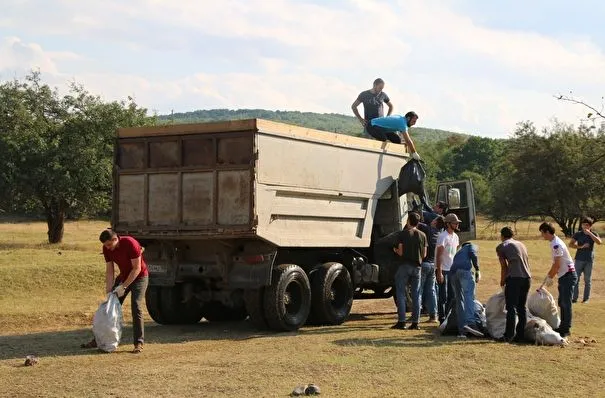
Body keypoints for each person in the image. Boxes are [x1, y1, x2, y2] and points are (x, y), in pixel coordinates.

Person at [81, 229, 149, 353]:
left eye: (109, 244)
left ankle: (138, 343)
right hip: (123, 277)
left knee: (136, 306)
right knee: (109, 307)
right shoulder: (107, 248)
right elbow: (110, 271)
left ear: (115, 239)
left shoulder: (130, 243)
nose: (107, 248)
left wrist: (123, 287)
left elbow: (136, 268)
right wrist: (109, 292)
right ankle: (99, 340)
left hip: (139, 277)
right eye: (105, 245)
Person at [539, 222, 577, 338]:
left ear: (547, 232)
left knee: (566, 303)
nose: (542, 236)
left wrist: (550, 277)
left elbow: (557, 264)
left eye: (542, 233)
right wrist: (549, 276)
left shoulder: (556, 244)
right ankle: (563, 326)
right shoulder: (554, 243)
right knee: (562, 302)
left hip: (568, 275)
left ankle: (565, 329)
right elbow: (555, 265)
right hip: (564, 275)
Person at [391, 212, 427, 330]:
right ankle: (415, 322)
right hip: (417, 267)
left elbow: (400, 252)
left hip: (405, 266)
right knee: (416, 295)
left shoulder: (403, 234)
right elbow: (424, 254)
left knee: (401, 293)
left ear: (408, 221)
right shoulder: (423, 235)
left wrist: (395, 250)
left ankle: (401, 322)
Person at [496, 227, 532, 342]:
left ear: (502, 236)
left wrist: (502, 280)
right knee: (522, 307)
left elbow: (504, 266)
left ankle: (508, 335)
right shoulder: (521, 244)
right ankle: (520, 335)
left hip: (514, 278)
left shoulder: (502, 246)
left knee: (511, 307)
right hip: (527, 278)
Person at [449, 242, 483, 338]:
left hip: (453, 274)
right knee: (469, 296)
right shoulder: (471, 246)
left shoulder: (458, 252)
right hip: (464, 271)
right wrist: (477, 269)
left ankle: (462, 330)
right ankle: (471, 323)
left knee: (459, 301)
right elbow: (473, 253)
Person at [351, 78, 397, 143]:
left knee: (380, 145)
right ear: (374, 85)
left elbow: (391, 106)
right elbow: (353, 106)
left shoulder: (383, 95)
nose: (381, 90)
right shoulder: (364, 94)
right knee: (367, 145)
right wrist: (360, 119)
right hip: (369, 124)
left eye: (382, 88)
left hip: (380, 124)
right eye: (380, 87)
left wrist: (387, 117)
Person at [418, 215, 445, 323]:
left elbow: (417, 223)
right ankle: (433, 316)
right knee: (431, 290)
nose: (431, 220)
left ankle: (417, 315)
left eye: (433, 220)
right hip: (433, 265)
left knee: (419, 290)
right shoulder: (439, 234)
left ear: (435, 223)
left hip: (424, 264)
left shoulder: (429, 230)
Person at [435, 213, 461, 323]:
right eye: (455, 223)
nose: (457, 224)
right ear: (448, 224)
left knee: (452, 295)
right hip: (443, 270)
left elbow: (455, 253)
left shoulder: (456, 236)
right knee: (443, 296)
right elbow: (439, 255)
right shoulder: (442, 237)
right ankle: (442, 318)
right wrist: (439, 271)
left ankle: (449, 318)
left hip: (452, 270)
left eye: (457, 223)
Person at [569, 217, 601, 303]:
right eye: (583, 224)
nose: (585, 226)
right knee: (576, 279)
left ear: (590, 226)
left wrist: (590, 234)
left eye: (587, 225)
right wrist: (581, 247)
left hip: (589, 260)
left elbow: (599, 242)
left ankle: (586, 299)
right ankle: (574, 298)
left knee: (587, 280)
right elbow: (570, 244)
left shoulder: (593, 234)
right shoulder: (578, 234)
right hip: (579, 259)